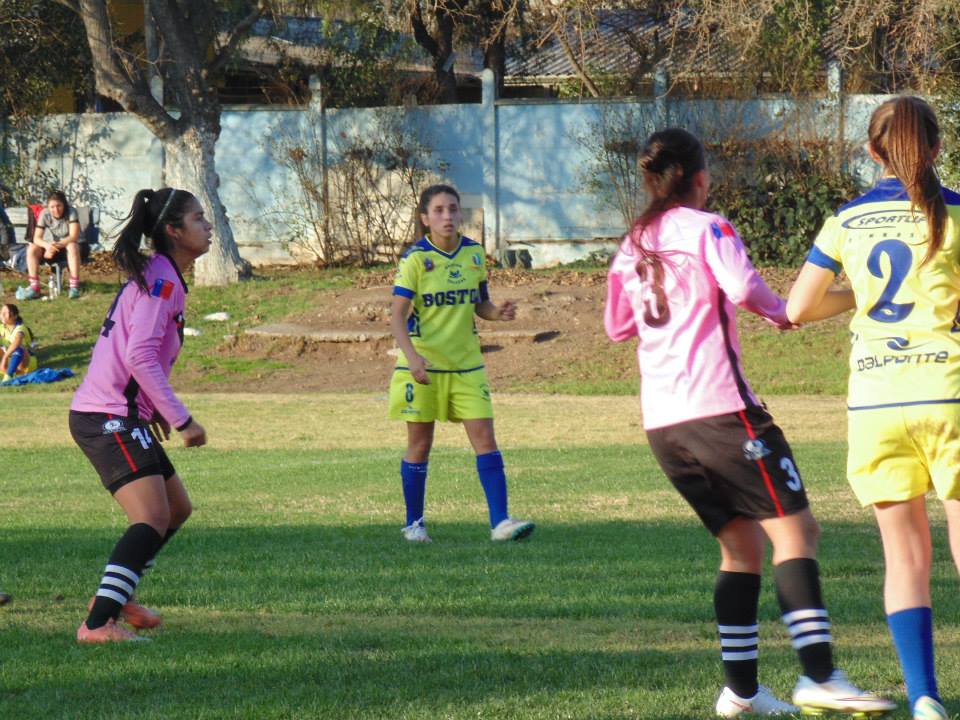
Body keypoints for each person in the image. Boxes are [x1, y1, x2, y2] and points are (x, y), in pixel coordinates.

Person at [605, 128, 895, 717]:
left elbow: (618, 325)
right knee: (796, 533)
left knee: (739, 548)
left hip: (663, 424)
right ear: (702, 179)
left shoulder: (630, 244)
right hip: (721, 412)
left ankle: (740, 693)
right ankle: (818, 675)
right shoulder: (709, 227)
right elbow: (748, 292)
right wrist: (819, 305)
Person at [787, 96, 958, 720]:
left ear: (871, 151)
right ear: (938, 148)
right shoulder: (956, 212)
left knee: (905, 557)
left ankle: (925, 698)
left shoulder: (847, 221)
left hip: (877, 401)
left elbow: (798, 308)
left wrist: (859, 295)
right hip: (949, 391)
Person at [70, 187, 210, 643]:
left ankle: (113, 597)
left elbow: (131, 352)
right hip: (106, 416)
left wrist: (149, 408)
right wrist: (183, 419)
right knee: (151, 517)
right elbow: (139, 355)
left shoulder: (162, 273)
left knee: (176, 510)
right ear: (173, 231)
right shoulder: (163, 280)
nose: (207, 226)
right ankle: (97, 625)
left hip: (122, 412)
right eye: (198, 218)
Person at [389, 184, 534, 543]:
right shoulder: (415, 259)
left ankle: (500, 522)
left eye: (453, 209)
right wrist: (413, 359)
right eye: (438, 210)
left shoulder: (473, 254)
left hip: (467, 366)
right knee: (420, 445)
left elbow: (480, 304)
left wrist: (497, 314)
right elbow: (396, 317)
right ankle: (414, 524)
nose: (448, 216)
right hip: (422, 368)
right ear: (425, 219)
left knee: (486, 438)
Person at [24, 190, 87, 299]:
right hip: (56, 248)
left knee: (72, 245)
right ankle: (34, 288)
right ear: (48, 207)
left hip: (77, 248)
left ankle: (74, 288)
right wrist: (48, 246)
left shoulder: (71, 212)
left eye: (59, 206)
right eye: (52, 207)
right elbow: (36, 238)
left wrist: (53, 248)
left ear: (64, 205)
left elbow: (73, 236)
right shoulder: (45, 213)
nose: (55, 209)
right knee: (32, 248)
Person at [1, 303, 38, 381]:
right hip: (8, 362)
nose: (2, 315)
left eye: (5, 313)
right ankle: (8, 370)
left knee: (18, 348)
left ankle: (8, 376)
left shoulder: (21, 327)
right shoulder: (2, 327)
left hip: (26, 364)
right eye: (1, 312)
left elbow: (17, 342)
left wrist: (5, 357)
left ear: (15, 316)